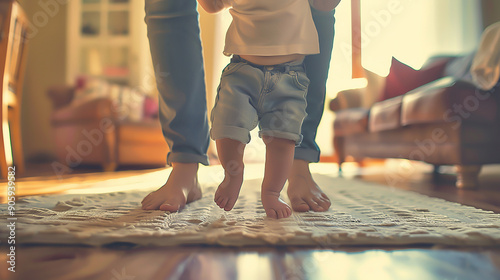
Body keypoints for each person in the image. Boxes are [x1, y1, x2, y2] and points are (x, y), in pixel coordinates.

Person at [141, 0, 339, 216]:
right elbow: (212, 5)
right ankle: (223, 171)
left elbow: (325, 5)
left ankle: (274, 190)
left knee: (284, 140)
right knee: (227, 131)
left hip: (291, 80)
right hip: (241, 75)